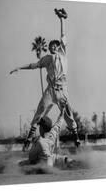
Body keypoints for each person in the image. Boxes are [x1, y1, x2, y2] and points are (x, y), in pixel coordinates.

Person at [10, 8, 80, 150]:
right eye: (51, 46)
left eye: (55, 45)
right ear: (49, 48)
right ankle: (29, 138)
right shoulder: (47, 59)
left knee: (68, 114)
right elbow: (33, 65)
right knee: (40, 110)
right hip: (51, 90)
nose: (53, 47)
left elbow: (62, 34)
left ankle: (77, 138)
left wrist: (61, 19)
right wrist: (19, 67)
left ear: (59, 47)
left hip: (62, 90)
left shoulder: (63, 53)